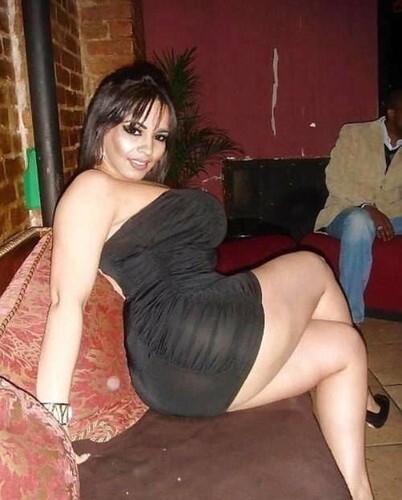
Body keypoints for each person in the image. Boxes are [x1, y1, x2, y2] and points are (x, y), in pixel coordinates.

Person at [36, 61, 384, 500]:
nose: (147, 149)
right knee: (312, 266)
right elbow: (65, 303)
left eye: (159, 136)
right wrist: (50, 430)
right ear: (102, 127)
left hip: (177, 379)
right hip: (192, 330)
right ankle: (366, 402)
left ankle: (358, 491)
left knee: (345, 349)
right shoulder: (91, 188)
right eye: (134, 130)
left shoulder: (119, 192)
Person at [315, 89, 402, 325]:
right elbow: (336, 180)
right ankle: (348, 317)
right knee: (360, 222)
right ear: (392, 113)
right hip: (347, 212)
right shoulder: (355, 134)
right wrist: (368, 208)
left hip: (392, 217)